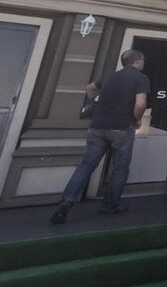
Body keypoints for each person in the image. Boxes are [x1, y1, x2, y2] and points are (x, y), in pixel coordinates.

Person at [50, 50, 149, 224]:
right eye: (142, 60)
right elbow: (140, 104)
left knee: (87, 165)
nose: (143, 63)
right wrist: (137, 119)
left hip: (97, 126)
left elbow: (89, 88)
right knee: (120, 168)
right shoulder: (140, 78)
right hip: (121, 128)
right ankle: (110, 205)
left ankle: (67, 200)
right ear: (137, 61)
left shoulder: (110, 77)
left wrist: (96, 102)